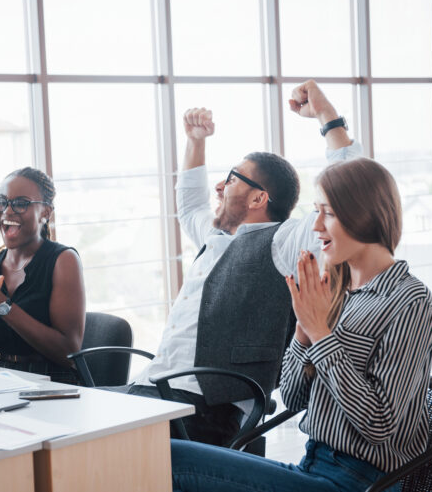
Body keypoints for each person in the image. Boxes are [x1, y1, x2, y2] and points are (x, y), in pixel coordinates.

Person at [105, 80, 362, 447]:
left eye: (230, 179)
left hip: (204, 408)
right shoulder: (216, 237)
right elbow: (190, 205)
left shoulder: (284, 240)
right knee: (66, 424)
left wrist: (327, 117)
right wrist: (196, 142)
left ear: (259, 198)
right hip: (153, 388)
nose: (219, 188)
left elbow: (352, 195)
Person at [170, 157, 432, 492]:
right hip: (312, 466)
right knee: (160, 455)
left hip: (358, 482)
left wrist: (322, 335)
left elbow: (379, 423)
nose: (316, 227)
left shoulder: (408, 300)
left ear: (363, 215)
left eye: (328, 213)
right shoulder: (339, 293)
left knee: (171, 461)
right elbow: (296, 398)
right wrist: (303, 332)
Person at [0, 167, 85, 384]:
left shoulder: (63, 260)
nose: (7, 211)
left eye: (21, 203)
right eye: (2, 202)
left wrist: (1, 304)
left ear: (46, 213)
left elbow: (68, 353)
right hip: (1, 381)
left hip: (54, 382)